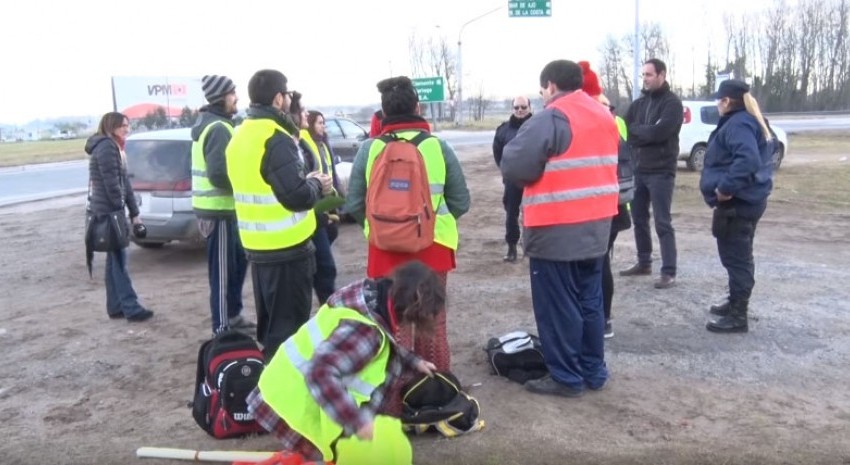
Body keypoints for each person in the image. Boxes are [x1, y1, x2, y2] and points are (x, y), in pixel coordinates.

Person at [501, 60, 619, 397]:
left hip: (555, 230)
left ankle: (566, 377)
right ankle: (593, 371)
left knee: (558, 307)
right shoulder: (603, 116)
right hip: (596, 228)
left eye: (541, 90)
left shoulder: (552, 117)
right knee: (590, 302)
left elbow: (515, 166)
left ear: (550, 86)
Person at [246, 260, 443, 462]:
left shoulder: (367, 298)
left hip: (279, 388)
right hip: (292, 408)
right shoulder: (366, 333)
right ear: (415, 309)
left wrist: (413, 361)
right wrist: (359, 424)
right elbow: (319, 373)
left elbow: (362, 342)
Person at [344, 75, 470, 375]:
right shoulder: (438, 148)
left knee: (391, 322)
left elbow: (353, 204)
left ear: (383, 113)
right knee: (433, 320)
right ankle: (438, 391)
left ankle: (395, 396)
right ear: (418, 107)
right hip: (434, 247)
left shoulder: (369, 150)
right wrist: (428, 221)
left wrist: (381, 229)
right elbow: (461, 202)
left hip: (384, 249)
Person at [225, 69, 334, 359]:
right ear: (277, 99)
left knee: (271, 327)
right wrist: (316, 184)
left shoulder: (240, 134)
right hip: (287, 250)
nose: (289, 99)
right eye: (286, 94)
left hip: (258, 248)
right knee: (288, 335)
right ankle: (278, 397)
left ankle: (270, 389)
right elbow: (296, 196)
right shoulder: (275, 138)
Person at [700, 79, 774, 333]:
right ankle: (734, 303)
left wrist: (725, 188)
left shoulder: (739, 123)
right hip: (747, 201)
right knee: (737, 254)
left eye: (718, 100)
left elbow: (748, 159)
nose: (717, 104)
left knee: (737, 258)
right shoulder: (744, 120)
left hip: (738, 203)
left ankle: (738, 316)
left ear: (726, 101)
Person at [191, 75, 253, 335]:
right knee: (223, 274)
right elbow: (218, 174)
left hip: (225, 212)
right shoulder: (218, 128)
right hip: (218, 212)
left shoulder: (218, 124)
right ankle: (222, 327)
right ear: (221, 97)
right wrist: (246, 185)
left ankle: (233, 315)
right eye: (232, 93)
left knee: (236, 268)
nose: (236, 97)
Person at [578, 61, 634, 339]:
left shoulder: (599, 117)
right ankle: (601, 318)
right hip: (611, 205)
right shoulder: (608, 115)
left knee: (597, 264)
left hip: (604, 206)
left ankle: (602, 319)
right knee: (600, 262)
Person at [620, 58, 683, 290]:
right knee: (638, 218)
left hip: (662, 171)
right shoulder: (638, 104)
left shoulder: (672, 104)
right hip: (639, 170)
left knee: (662, 221)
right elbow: (625, 130)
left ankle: (669, 271)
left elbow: (660, 132)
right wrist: (642, 133)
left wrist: (642, 133)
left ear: (661, 75)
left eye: (649, 74)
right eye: (643, 75)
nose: (645, 79)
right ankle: (644, 262)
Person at [84, 112, 153, 322]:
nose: (127, 129)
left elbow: (125, 183)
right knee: (119, 261)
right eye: (124, 125)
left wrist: (135, 213)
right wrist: (121, 212)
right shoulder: (107, 147)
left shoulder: (114, 147)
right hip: (108, 213)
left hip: (110, 212)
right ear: (112, 126)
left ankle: (115, 307)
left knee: (114, 261)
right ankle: (130, 308)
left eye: (128, 125)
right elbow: (113, 184)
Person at [306, 109, 341, 304]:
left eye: (324, 123)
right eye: (319, 123)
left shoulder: (324, 144)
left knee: (325, 256)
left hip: (327, 206)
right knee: (326, 265)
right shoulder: (307, 145)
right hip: (316, 210)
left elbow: (331, 174)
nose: (323, 126)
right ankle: (328, 304)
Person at [493, 95, 533, 263]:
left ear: (530, 108)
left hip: (535, 180)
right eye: (517, 107)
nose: (520, 110)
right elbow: (498, 154)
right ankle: (511, 248)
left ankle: (531, 248)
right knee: (511, 215)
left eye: (523, 107)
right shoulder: (503, 130)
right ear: (512, 109)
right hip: (512, 181)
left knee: (533, 215)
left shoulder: (538, 127)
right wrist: (507, 172)